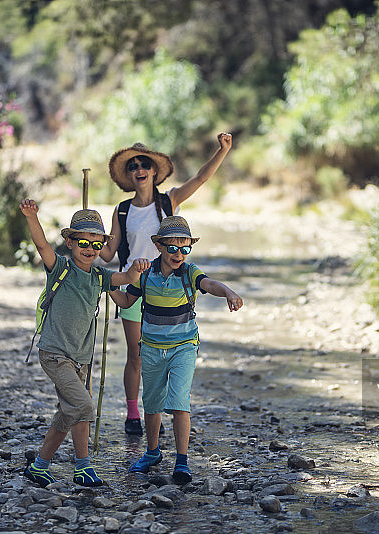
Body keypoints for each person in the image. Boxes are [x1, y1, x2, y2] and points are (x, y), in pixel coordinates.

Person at [100, 132, 233, 436]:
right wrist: (81, 248)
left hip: (170, 287)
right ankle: (134, 414)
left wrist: (221, 151)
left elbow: (200, 178)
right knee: (136, 354)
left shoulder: (168, 201)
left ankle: (161, 412)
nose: (138, 168)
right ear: (129, 176)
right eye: (132, 166)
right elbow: (108, 252)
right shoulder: (122, 210)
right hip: (135, 285)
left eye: (143, 163)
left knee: (168, 350)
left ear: (154, 171)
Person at [19, 199, 150, 487]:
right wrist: (32, 217)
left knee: (68, 412)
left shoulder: (101, 277)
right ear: (69, 241)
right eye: (82, 242)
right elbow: (42, 247)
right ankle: (83, 465)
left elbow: (126, 277)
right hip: (55, 353)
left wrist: (137, 270)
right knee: (83, 406)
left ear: (103, 247)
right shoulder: (61, 268)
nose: (89, 249)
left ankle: (41, 466)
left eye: (95, 244)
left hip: (82, 358)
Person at [110, 215, 243, 484]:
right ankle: (152, 452)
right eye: (172, 248)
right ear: (159, 246)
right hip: (150, 348)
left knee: (180, 402)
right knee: (153, 402)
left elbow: (210, 284)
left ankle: (182, 460)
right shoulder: (145, 275)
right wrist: (107, 284)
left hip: (184, 347)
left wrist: (228, 291)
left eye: (185, 248)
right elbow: (126, 301)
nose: (179, 254)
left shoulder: (190, 273)